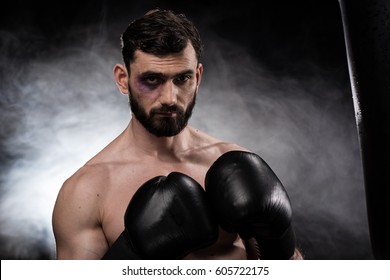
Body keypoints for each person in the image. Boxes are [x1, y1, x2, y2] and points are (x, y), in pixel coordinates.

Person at [52, 8, 303, 260]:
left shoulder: (236, 163)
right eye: (152, 80)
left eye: (182, 79)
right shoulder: (87, 191)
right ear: (122, 79)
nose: (169, 98)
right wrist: (129, 255)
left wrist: (278, 245)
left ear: (197, 77)